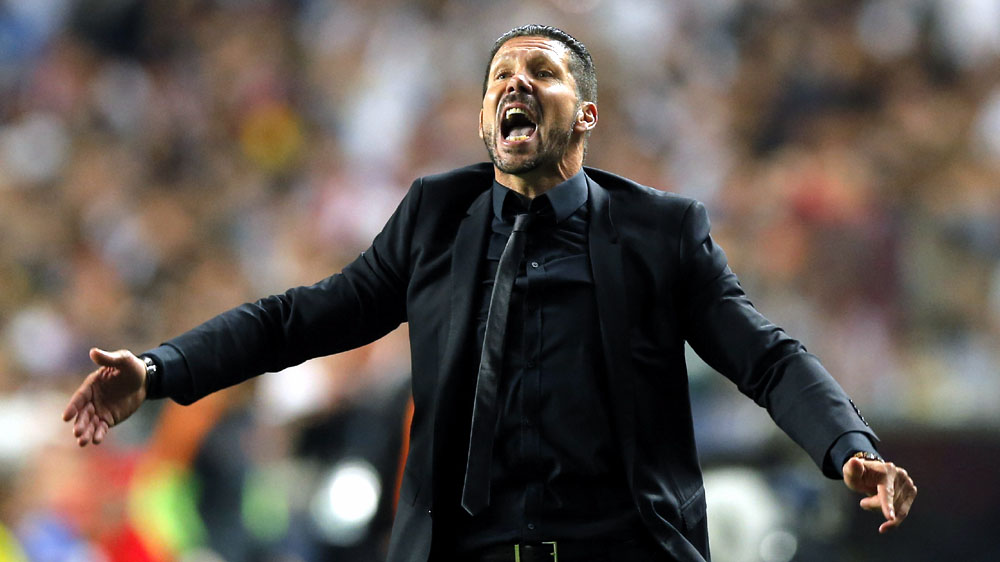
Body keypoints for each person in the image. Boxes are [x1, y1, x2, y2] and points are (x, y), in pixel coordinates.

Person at [63, 24, 917, 562]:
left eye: (541, 71)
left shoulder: (660, 232)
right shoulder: (435, 217)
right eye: (499, 75)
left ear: (585, 116)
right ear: (483, 121)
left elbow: (767, 358)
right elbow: (299, 319)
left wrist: (847, 445)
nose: (515, 83)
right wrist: (161, 368)